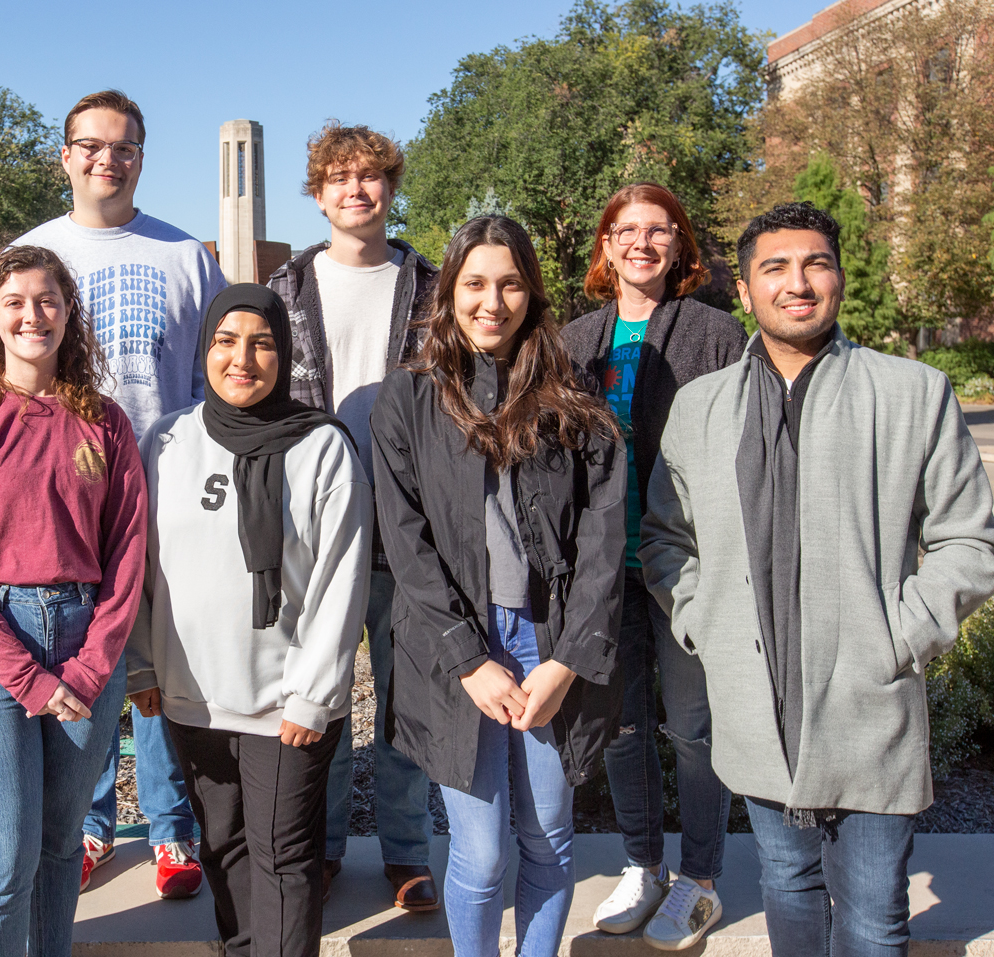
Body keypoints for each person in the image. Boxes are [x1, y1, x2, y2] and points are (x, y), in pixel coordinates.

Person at [641, 202, 994, 957]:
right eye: (775, 268)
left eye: (816, 264)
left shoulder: (912, 392)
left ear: (839, 279)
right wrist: (705, 624)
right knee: (787, 884)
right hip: (754, 707)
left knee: (873, 913)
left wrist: (898, 637)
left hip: (869, 705)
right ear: (746, 292)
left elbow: (969, 543)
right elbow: (667, 539)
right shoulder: (701, 408)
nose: (797, 283)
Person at [373, 215, 626, 957]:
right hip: (457, 646)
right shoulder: (408, 398)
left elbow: (603, 537)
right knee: (480, 854)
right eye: (476, 284)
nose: (493, 302)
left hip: (548, 640)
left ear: (532, 292)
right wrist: (467, 657)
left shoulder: (572, 395)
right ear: (449, 292)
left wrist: (568, 659)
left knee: (548, 838)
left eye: (510, 283)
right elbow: (406, 542)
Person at [15, 89, 224, 898]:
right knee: (84, 658)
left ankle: (172, 829)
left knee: (159, 666)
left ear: (141, 156)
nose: (108, 159)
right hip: (63, 498)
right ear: (65, 156)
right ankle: (91, 823)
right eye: (92, 146)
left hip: (166, 490)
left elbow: (214, 373)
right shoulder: (32, 251)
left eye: (124, 147)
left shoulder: (186, 256)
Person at [127, 284, 372, 957]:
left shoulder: (321, 446)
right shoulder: (166, 440)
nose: (243, 358)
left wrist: (314, 694)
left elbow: (340, 577)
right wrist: (142, 664)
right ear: (205, 350)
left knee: (284, 857)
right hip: (192, 696)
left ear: (283, 354)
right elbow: (137, 563)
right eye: (226, 341)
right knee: (223, 845)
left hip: (285, 702)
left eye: (262, 343)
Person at [0, 246, 148, 957]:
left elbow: (129, 549)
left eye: (47, 300)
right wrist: (27, 678)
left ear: (69, 312)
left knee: (59, 844)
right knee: (4, 858)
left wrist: (89, 667)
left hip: (85, 641)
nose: (32, 315)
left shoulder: (104, 421)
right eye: (14, 302)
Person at [560, 183, 748, 950]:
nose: (642, 242)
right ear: (606, 245)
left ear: (680, 245)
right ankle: (643, 864)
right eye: (626, 229)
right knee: (623, 726)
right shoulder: (576, 341)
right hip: (604, 569)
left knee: (695, 727)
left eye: (659, 229)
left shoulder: (716, 333)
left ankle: (700, 879)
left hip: (686, 562)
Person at [266, 122, 440, 910]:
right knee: (320, 700)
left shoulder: (433, 286)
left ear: (390, 187)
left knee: (407, 705)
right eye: (339, 177)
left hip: (411, 528)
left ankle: (408, 853)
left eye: (370, 176)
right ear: (318, 194)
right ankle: (324, 848)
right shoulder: (285, 289)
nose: (355, 189)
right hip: (317, 531)